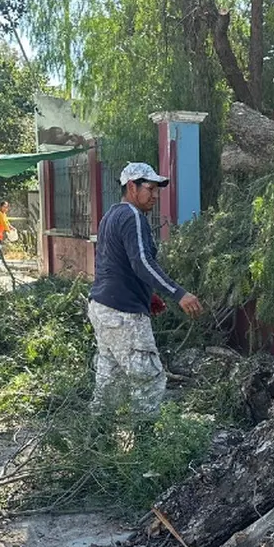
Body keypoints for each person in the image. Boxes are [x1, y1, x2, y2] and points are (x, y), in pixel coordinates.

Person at [88, 162, 202, 414]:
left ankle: (97, 432)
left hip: (102, 308)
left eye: (156, 190)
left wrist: (147, 294)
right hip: (123, 313)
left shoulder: (111, 216)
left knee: (109, 380)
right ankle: (145, 436)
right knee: (149, 379)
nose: (155, 196)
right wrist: (178, 293)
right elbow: (141, 261)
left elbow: (114, 263)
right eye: (150, 189)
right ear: (132, 187)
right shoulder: (133, 217)